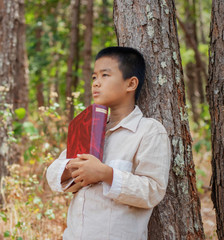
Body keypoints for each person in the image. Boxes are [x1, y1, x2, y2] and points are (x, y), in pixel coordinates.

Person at [46, 46, 171, 240]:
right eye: (94, 77)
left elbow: (153, 191)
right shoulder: (89, 128)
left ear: (131, 84)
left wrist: (107, 174)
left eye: (105, 75)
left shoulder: (148, 131)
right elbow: (53, 174)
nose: (96, 83)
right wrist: (73, 169)